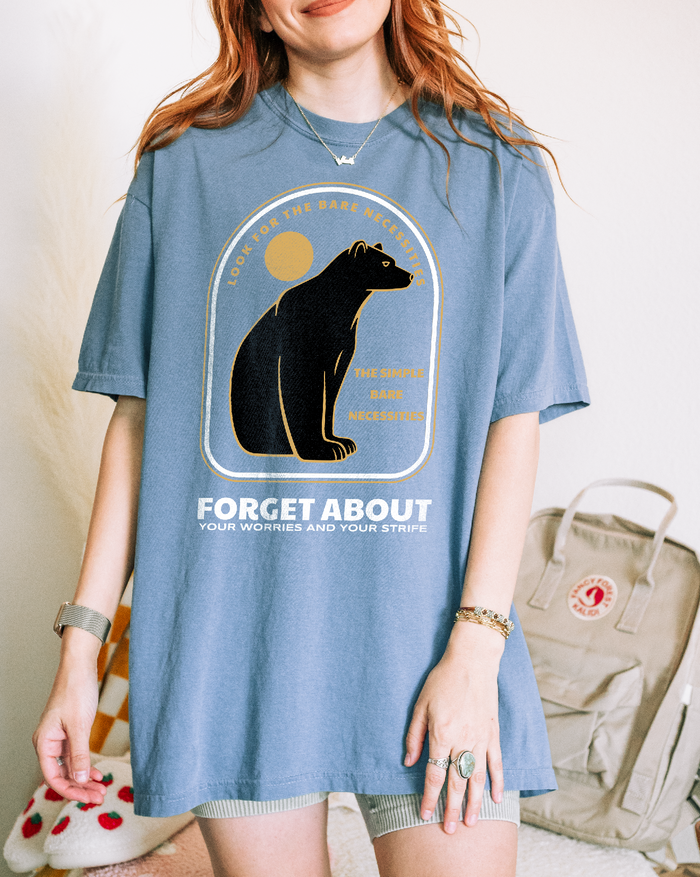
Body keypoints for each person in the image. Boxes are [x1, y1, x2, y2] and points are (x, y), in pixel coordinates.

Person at [32, 1, 589, 875]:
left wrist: (478, 650)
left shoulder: (497, 170)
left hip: (431, 651)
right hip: (233, 652)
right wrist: (80, 651)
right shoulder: (182, 167)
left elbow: (511, 423)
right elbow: (137, 424)